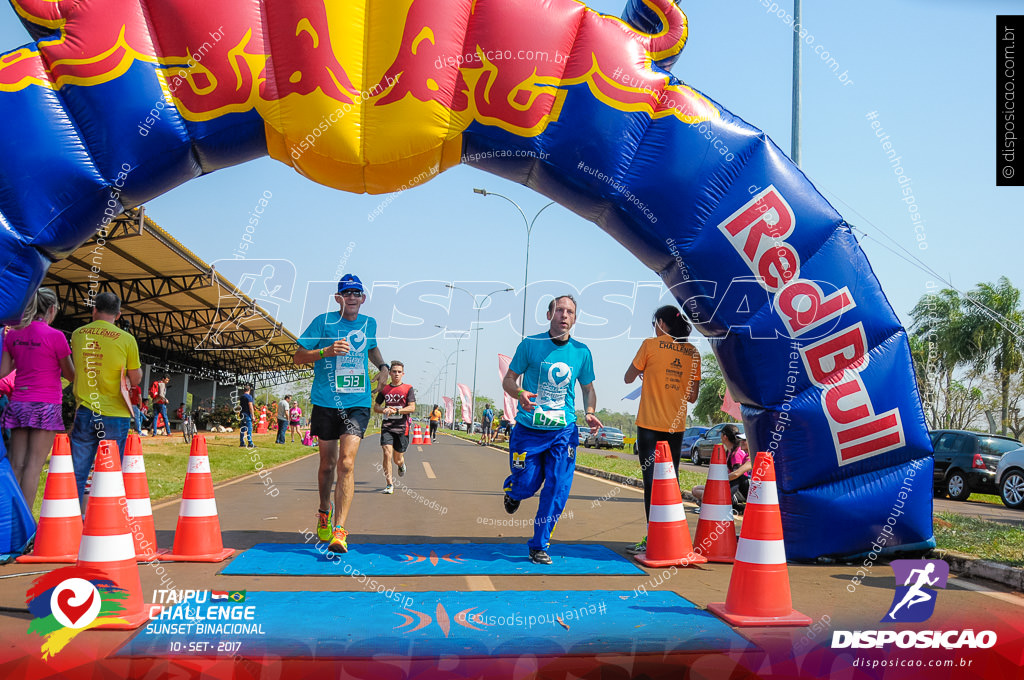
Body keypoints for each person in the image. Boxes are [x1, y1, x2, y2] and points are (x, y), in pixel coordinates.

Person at [501, 295, 601, 565]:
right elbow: (508, 380)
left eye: (570, 312)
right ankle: (514, 492)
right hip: (528, 430)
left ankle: (539, 544)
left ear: (575, 319)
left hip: (563, 432)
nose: (564, 315)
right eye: (559, 310)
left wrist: (589, 413)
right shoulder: (531, 345)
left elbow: (588, 389)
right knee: (528, 483)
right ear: (549, 315)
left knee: (557, 487)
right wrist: (520, 392)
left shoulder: (582, 352)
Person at [294, 274, 388, 554]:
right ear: (338, 298)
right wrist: (325, 351)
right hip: (325, 401)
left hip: (357, 402)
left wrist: (382, 365)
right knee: (327, 464)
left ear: (363, 297)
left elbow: (370, 347)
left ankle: (340, 530)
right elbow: (298, 355)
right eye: (346, 293)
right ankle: (324, 509)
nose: (351, 297)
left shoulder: (369, 323)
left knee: (346, 463)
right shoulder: (323, 322)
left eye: (356, 293)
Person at [622, 305, 701, 555]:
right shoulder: (693, 352)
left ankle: (653, 538)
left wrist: (648, 373)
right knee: (670, 482)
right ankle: (672, 539)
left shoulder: (650, 345)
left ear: (661, 324)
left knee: (650, 483)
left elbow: (627, 377)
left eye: (655, 324)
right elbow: (692, 396)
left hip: (648, 426)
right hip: (675, 429)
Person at [0, 288, 75, 509]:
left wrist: (22, 358)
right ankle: (24, 526)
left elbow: (3, 371)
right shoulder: (56, 337)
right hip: (46, 405)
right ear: (52, 309)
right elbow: (70, 374)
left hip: (19, 403)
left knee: (16, 464)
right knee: (33, 466)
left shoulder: (14, 334)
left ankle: (6, 518)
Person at [69, 291, 142, 510]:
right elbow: (135, 378)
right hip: (115, 414)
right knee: (109, 470)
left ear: (94, 310)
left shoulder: (78, 334)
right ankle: (105, 516)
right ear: (118, 315)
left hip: (85, 410)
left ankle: (72, 516)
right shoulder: (127, 339)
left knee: (78, 470)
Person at [372, 360, 416, 493]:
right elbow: (376, 407)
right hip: (387, 427)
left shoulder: (408, 388)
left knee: (397, 458)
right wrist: (384, 410)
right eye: (394, 371)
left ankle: (401, 465)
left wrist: (397, 411)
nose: (396, 374)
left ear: (403, 374)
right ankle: (389, 484)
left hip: (402, 428)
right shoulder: (385, 389)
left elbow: (412, 407)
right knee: (386, 453)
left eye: (399, 372)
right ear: (390, 373)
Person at [691, 425, 751, 512]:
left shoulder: (748, 458)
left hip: (742, 490)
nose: (741, 442)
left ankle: (723, 499)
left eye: (744, 440)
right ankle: (724, 501)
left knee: (740, 477)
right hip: (735, 486)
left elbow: (736, 474)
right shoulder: (742, 455)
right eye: (741, 439)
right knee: (697, 490)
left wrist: (717, 482)